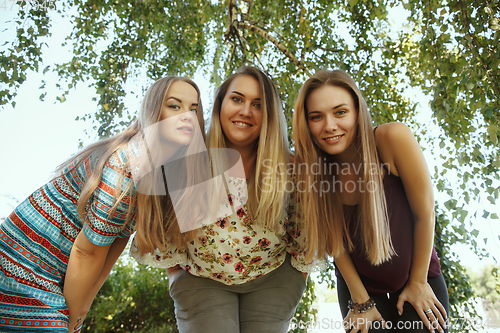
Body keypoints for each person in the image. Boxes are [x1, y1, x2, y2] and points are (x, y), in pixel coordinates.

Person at [0, 76, 206, 333]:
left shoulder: (157, 173)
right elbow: (87, 252)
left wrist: (85, 304)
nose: (186, 115)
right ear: (153, 111)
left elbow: (117, 239)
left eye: (194, 109)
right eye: (174, 106)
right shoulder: (127, 165)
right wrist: (70, 320)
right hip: (21, 260)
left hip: (57, 268)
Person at [131, 66, 325, 333]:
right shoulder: (188, 160)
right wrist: (177, 275)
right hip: (200, 280)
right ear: (219, 104)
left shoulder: (290, 167)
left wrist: (295, 279)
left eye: (257, 104)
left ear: (268, 114)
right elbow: (166, 231)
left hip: (273, 279)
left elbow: (304, 234)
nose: (246, 111)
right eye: (237, 99)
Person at [292, 69, 449, 333]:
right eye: (316, 117)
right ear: (306, 123)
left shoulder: (391, 140)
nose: (329, 126)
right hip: (359, 290)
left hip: (419, 278)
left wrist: (419, 282)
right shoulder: (308, 168)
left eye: (340, 112)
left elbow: (425, 213)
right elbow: (334, 242)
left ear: (357, 112)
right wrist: (361, 301)